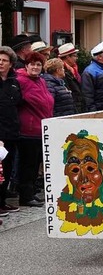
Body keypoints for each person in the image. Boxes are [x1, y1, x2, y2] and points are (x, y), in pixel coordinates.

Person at [57, 130, 103, 235]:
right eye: (75, 170)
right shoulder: (65, 211)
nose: (84, 178)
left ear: (102, 169)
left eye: (90, 168)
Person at [15, 51, 53, 207]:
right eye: (32, 64)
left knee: (36, 163)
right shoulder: (21, 81)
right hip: (28, 129)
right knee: (28, 165)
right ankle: (25, 196)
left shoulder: (40, 81)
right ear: (26, 65)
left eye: (38, 64)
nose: (35, 67)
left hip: (41, 128)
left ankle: (30, 193)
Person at [0, 46, 22, 216]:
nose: (0, 63)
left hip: (12, 132)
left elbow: (18, 104)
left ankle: (3, 201)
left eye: (4, 60)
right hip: (0, 134)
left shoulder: (14, 82)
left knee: (7, 170)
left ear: (11, 64)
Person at [57, 43, 86, 113]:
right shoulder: (62, 72)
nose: (77, 58)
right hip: (72, 108)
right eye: (74, 56)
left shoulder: (73, 70)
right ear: (67, 57)